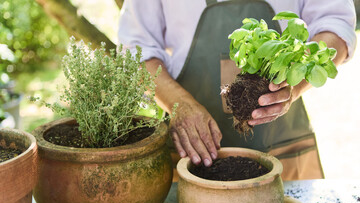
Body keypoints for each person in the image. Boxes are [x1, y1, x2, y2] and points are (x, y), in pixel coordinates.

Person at [118, 0, 356, 180]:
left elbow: (336, 25)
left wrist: (293, 84)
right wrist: (178, 104)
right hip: (192, 154)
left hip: (282, 150)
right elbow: (135, 50)